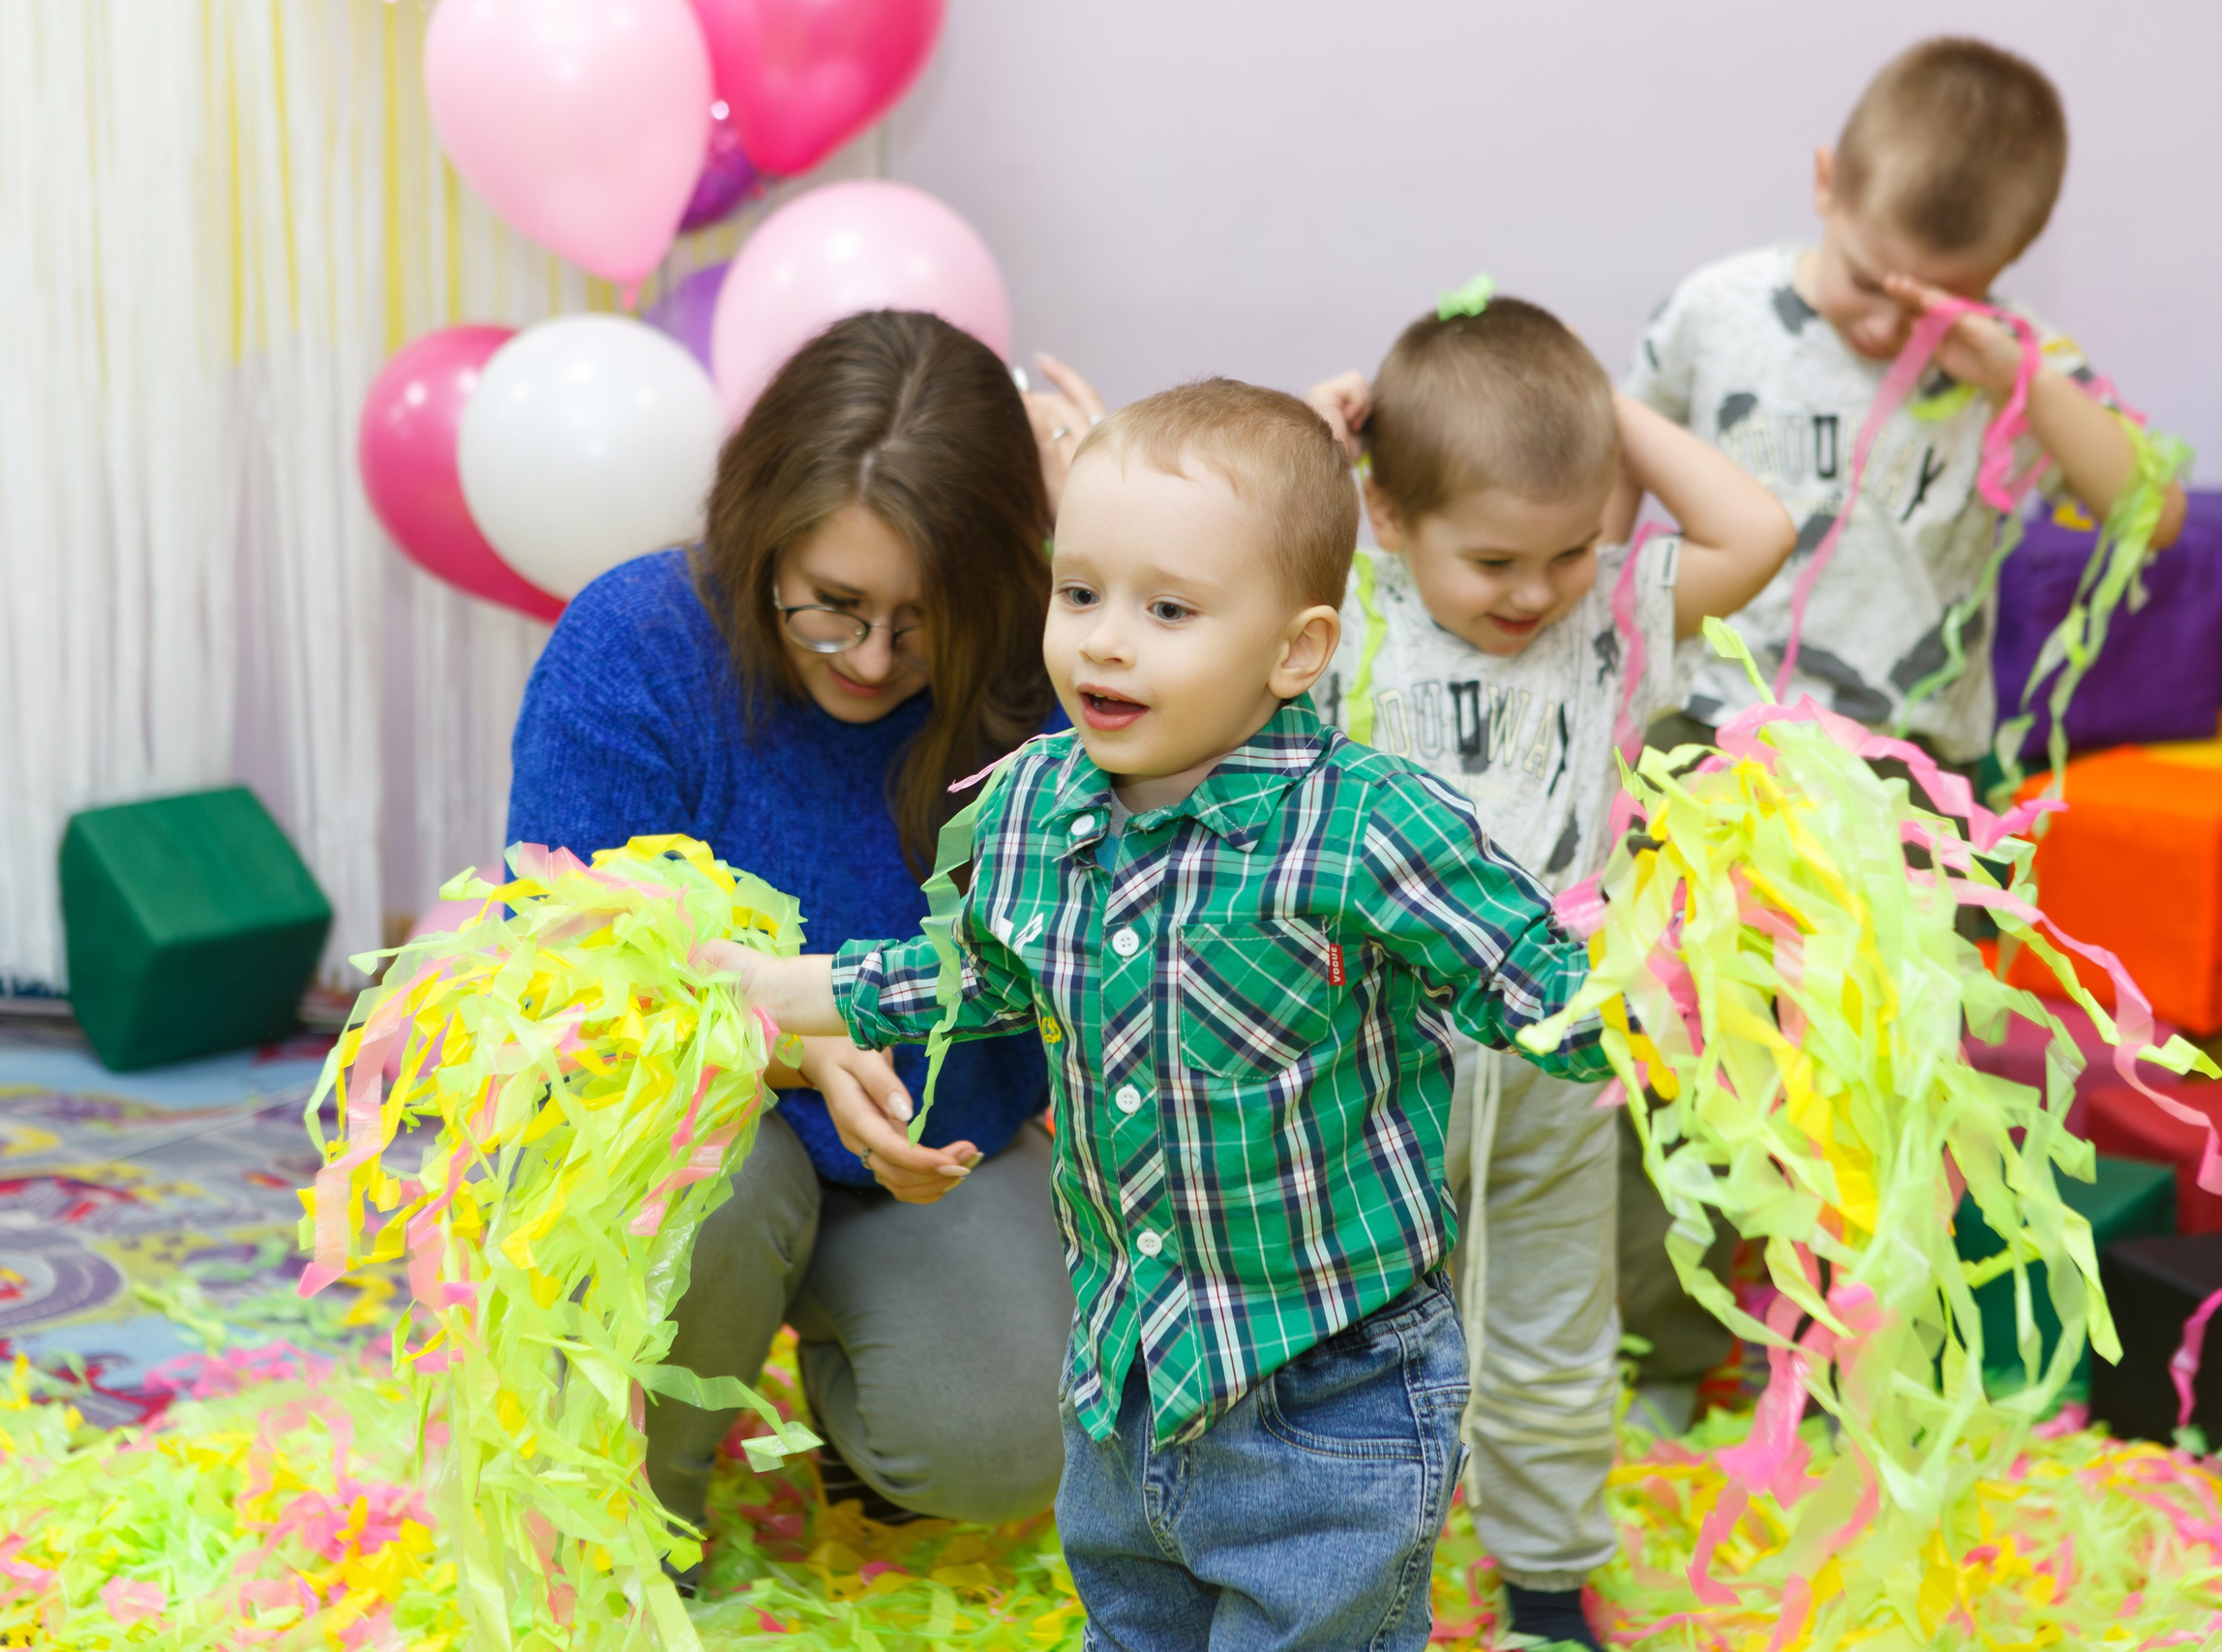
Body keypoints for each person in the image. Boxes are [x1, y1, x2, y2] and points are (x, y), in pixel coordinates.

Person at [700, 377, 1615, 1652]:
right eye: (1080, 595)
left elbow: (1555, 997)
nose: (1104, 642)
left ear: (1295, 651)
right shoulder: (1034, 802)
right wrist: (800, 991)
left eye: (1168, 609)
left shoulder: (1366, 829)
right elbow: (983, 968)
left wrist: (1688, 991)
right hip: (1126, 1375)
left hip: (1327, 1395)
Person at [1615, 32, 2187, 1442]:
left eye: (1944, 293)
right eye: (1873, 281)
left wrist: (2021, 380)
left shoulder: (2016, 369)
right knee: (1671, 1056)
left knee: (1860, 1088)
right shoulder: (1718, 308)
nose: (1890, 325)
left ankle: (1833, 1362)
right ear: (1824, 183)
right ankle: (1667, 1346)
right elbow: (1618, 463)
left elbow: (2148, 512)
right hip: (1711, 749)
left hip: (1905, 790)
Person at [506, 310, 1084, 1557]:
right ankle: (644, 1517)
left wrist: (1101, 557)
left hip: (938, 1138)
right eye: (833, 605)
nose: (873, 659)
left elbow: (1189, 853)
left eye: (921, 618)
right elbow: (563, 974)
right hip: (679, 1122)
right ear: (761, 534)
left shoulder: (1040, 662)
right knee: (710, 1185)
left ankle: (844, 1389)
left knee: (1002, 1443)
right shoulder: (638, 642)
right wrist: (781, 1038)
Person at [1303, 294, 1794, 1649]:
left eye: (1568, 549)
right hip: (1370, 1066)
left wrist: (1602, 418)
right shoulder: (1345, 606)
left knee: (1550, 1332)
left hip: (1555, 1054)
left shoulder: (1614, 615)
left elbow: (1758, 533)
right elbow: (1228, 543)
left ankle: (1544, 1576)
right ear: (1390, 518)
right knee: (1345, 1335)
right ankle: (1335, 1562)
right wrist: (1320, 440)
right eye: (1497, 559)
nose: (1533, 591)